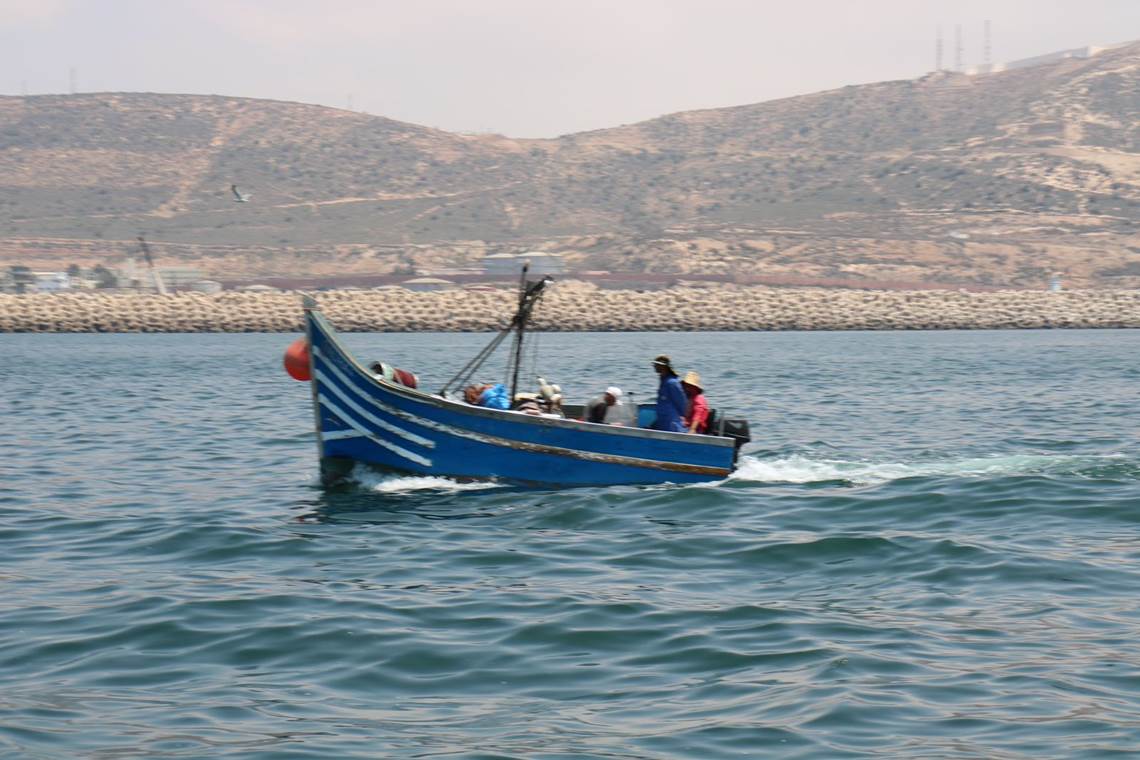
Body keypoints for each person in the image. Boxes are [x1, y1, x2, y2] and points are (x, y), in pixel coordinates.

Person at [650, 355, 687, 432]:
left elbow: (681, 403)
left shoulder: (672, 383)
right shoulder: (663, 381)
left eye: (656, 365)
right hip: (662, 421)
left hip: (671, 424)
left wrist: (684, 417)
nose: (654, 366)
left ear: (663, 366)